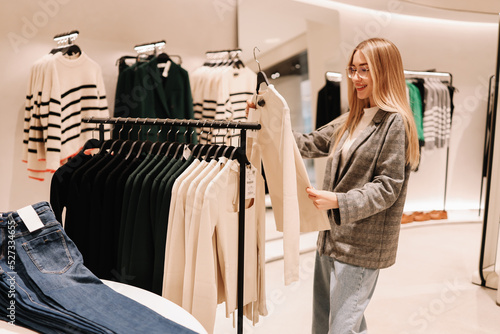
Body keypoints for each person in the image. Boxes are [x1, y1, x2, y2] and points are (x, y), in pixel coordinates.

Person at [247, 37, 420, 334]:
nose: (355, 78)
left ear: (385, 70)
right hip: (331, 239)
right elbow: (309, 143)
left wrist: (339, 201)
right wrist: (267, 118)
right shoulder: (351, 119)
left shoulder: (395, 123)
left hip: (361, 246)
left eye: (364, 70)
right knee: (329, 320)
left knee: (341, 326)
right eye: (352, 69)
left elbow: (387, 187)